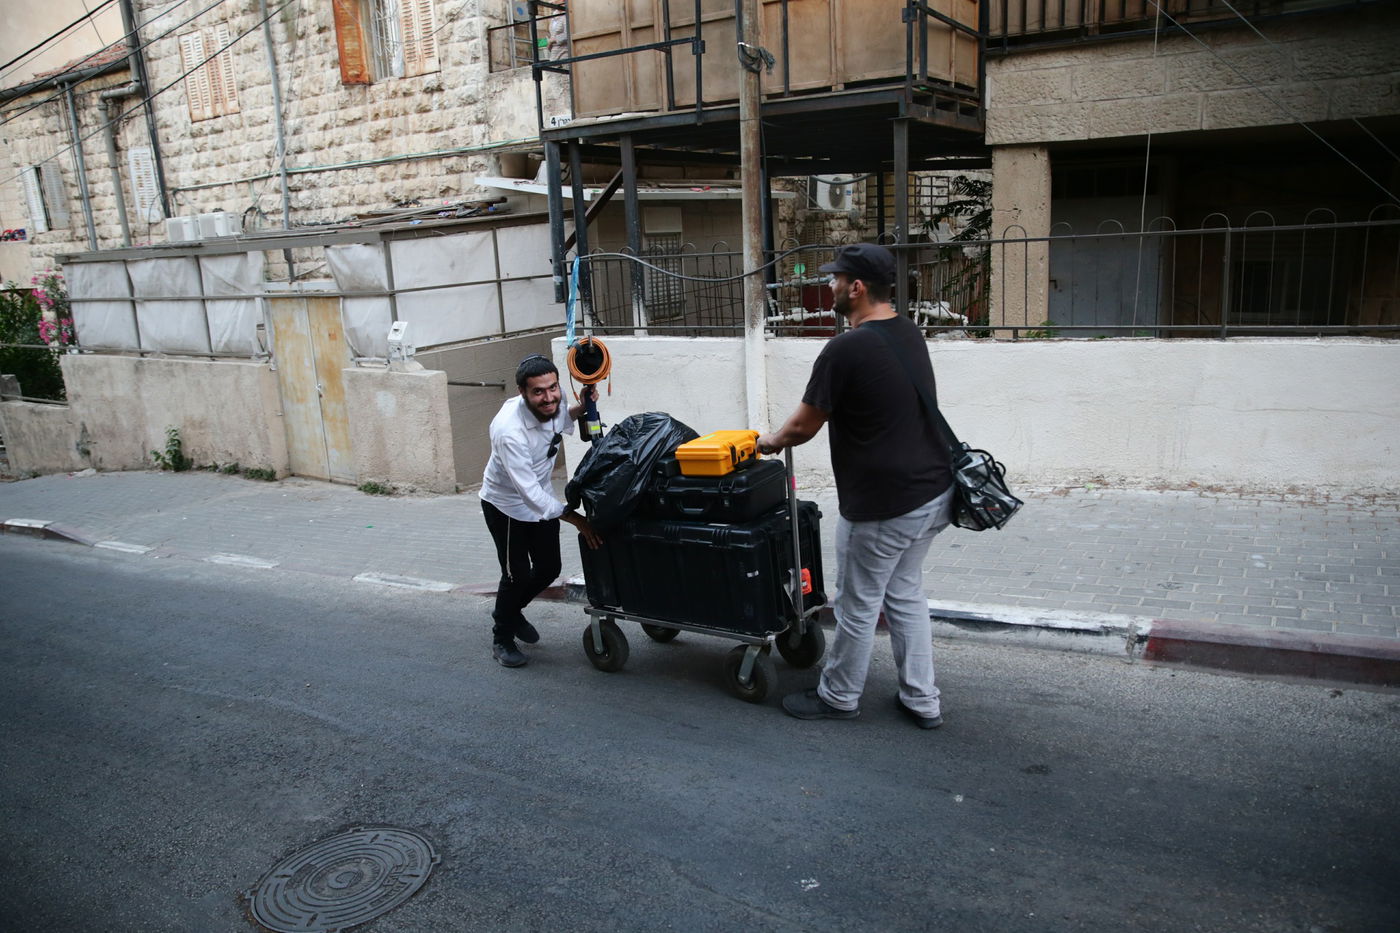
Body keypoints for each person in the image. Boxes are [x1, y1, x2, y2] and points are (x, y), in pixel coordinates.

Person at [757, 243, 954, 729]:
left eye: (836, 279)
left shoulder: (845, 348)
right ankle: (922, 699)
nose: (830, 286)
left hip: (884, 505)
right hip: (933, 493)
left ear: (858, 287)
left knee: (857, 604)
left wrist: (768, 441)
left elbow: (802, 426)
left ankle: (839, 695)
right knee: (905, 593)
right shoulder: (908, 332)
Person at [480, 353, 601, 668]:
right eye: (538, 392)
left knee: (549, 568)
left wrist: (581, 407)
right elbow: (528, 492)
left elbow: (560, 419)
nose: (548, 398)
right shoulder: (509, 431)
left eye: (553, 388)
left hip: (541, 496)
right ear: (522, 392)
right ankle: (502, 638)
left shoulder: (553, 403)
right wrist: (576, 518)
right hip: (506, 505)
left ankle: (509, 611)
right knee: (516, 575)